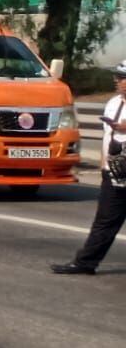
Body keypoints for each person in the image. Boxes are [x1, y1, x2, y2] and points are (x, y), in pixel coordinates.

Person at [52, 60, 126, 275]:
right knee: (104, 221)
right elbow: (107, 135)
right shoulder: (113, 103)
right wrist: (105, 165)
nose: (118, 81)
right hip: (115, 172)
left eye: (122, 78)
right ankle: (85, 263)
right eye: (118, 77)